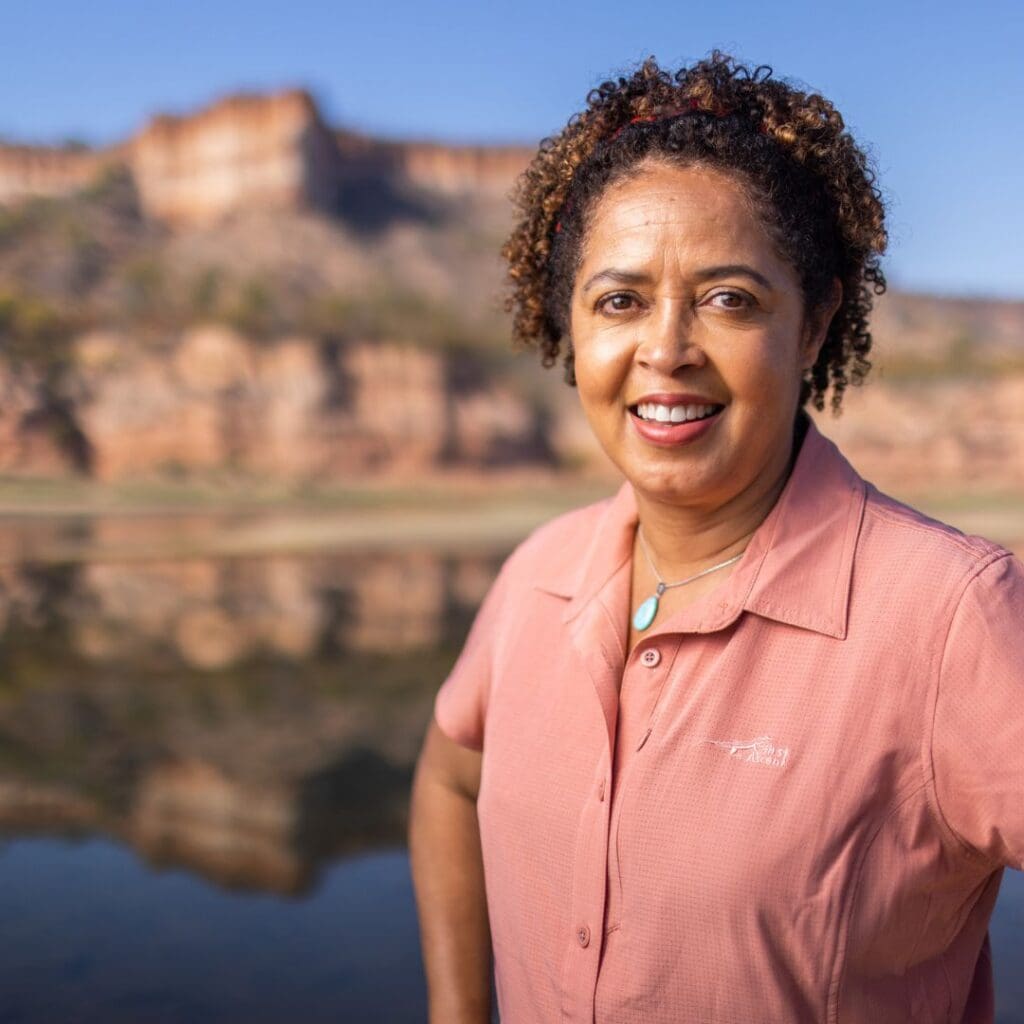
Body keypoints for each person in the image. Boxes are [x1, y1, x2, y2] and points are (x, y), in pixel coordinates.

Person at [408, 51, 1024, 1024]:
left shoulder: (948, 615)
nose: (666, 349)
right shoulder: (541, 575)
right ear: (569, 326)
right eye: (619, 301)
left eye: (728, 298)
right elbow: (449, 777)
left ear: (813, 323)